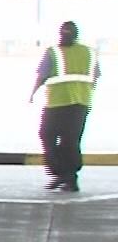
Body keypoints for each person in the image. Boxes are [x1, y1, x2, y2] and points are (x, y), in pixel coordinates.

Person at [30, 20, 100, 192]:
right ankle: (67, 176)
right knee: (70, 140)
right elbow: (96, 76)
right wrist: (88, 92)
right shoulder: (89, 52)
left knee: (48, 135)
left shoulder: (53, 52)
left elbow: (42, 75)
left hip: (57, 102)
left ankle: (63, 174)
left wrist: (32, 93)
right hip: (81, 103)